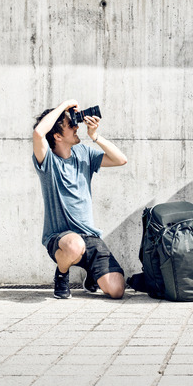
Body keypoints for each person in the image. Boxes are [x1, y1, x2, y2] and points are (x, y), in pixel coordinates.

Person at [32, 99, 127, 299]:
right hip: (61, 239)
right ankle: (62, 274)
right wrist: (63, 105)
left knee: (117, 290)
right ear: (57, 136)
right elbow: (39, 133)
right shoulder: (47, 162)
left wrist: (95, 136)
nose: (77, 127)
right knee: (75, 245)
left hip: (89, 236)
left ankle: (93, 275)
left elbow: (120, 160)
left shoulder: (83, 153)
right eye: (70, 125)